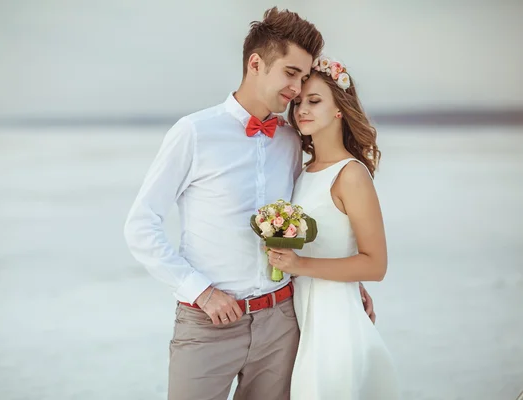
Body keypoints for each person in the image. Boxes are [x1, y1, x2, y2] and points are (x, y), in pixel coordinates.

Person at [124, 8, 375, 400]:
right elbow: (141, 224)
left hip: (282, 322)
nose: (296, 89)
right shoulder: (194, 132)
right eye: (290, 73)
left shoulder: (292, 141)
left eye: (303, 77)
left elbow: (307, 223)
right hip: (208, 323)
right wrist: (201, 292)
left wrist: (346, 283)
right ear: (256, 63)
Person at [268, 55, 400, 399]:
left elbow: (376, 264)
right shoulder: (303, 169)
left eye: (314, 101)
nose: (302, 110)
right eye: (297, 103)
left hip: (335, 322)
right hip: (301, 318)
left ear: (339, 109)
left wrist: (299, 266)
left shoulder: (351, 174)